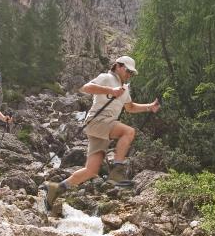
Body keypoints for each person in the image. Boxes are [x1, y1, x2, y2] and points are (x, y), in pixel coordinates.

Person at [45, 56, 160, 208]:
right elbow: (86, 88)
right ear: (118, 66)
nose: (129, 75)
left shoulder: (124, 88)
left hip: (102, 127)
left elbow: (130, 107)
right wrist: (110, 90)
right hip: (97, 122)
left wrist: (149, 107)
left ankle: (56, 188)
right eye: (128, 71)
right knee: (129, 132)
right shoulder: (106, 77)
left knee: (91, 171)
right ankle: (117, 172)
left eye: (132, 73)